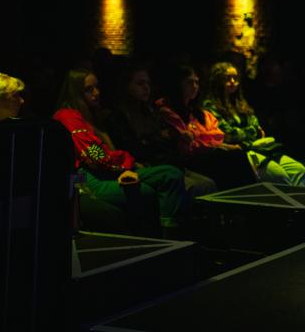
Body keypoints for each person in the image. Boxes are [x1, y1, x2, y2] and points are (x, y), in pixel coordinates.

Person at [53, 68, 188, 237]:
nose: (96, 93)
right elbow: (94, 155)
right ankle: (167, 238)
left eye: (97, 87)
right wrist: (125, 163)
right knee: (147, 191)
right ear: (75, 92)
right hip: (86, 178)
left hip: (109, 169)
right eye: (89, 89)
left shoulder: (91, 116)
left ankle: (171, 236)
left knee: (170, 174)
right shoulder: (67, 115)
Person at [102, 61, 217, 197]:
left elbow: (168, 139)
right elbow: (134, 148)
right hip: (147, 166)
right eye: (140, 83)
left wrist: (161, 138)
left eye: (148, 84)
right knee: (199, 186)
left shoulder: (149, 111)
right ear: (126, 86)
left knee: (209, 183)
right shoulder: (118, 116)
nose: (146, 88)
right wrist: (159, 138)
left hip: (166, 162)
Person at [202, 62, 305, 186]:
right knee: (280, 176)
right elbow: (228, 134)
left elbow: (255, 123)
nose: (232, 81)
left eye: (235, 78)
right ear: (217, 80)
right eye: (227, 78)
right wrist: (253, 132)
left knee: (299, 170)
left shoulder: (239, 102)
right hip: (241, 153)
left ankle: (300, 204)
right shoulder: (210, 106)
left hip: (259, 148)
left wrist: (250, 131)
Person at [156, 64, 255, 190]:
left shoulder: (198, 111)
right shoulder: (167, 110)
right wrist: (208, 139)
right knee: (234, 158)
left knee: (236, 156)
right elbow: (187, 147)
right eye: (189, 82)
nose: (195, 87)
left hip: (208, 152)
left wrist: (196, 135)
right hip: (190, 159)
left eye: (197, 82)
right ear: (177, 84)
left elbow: (218, 135)